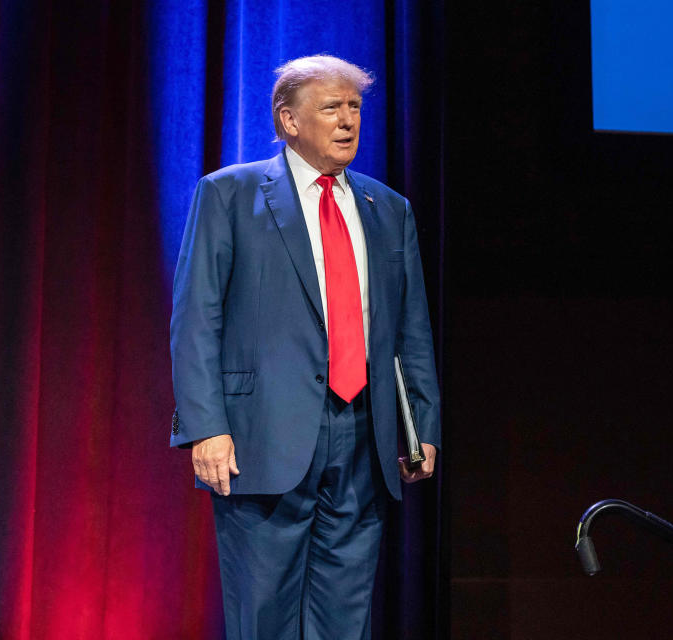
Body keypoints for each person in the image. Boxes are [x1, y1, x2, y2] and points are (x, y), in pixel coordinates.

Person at [169, 54, 441, 640]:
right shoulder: (231, 194)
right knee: (262, 612)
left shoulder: (388, 208)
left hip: (362, 436)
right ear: (289, 120)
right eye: (331, 108)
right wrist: (205, 426)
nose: (348, 121)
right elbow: (196, 318)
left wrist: (421, 428)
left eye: (355, 108)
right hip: (260, 433)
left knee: (345, 615)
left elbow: (411, 329)